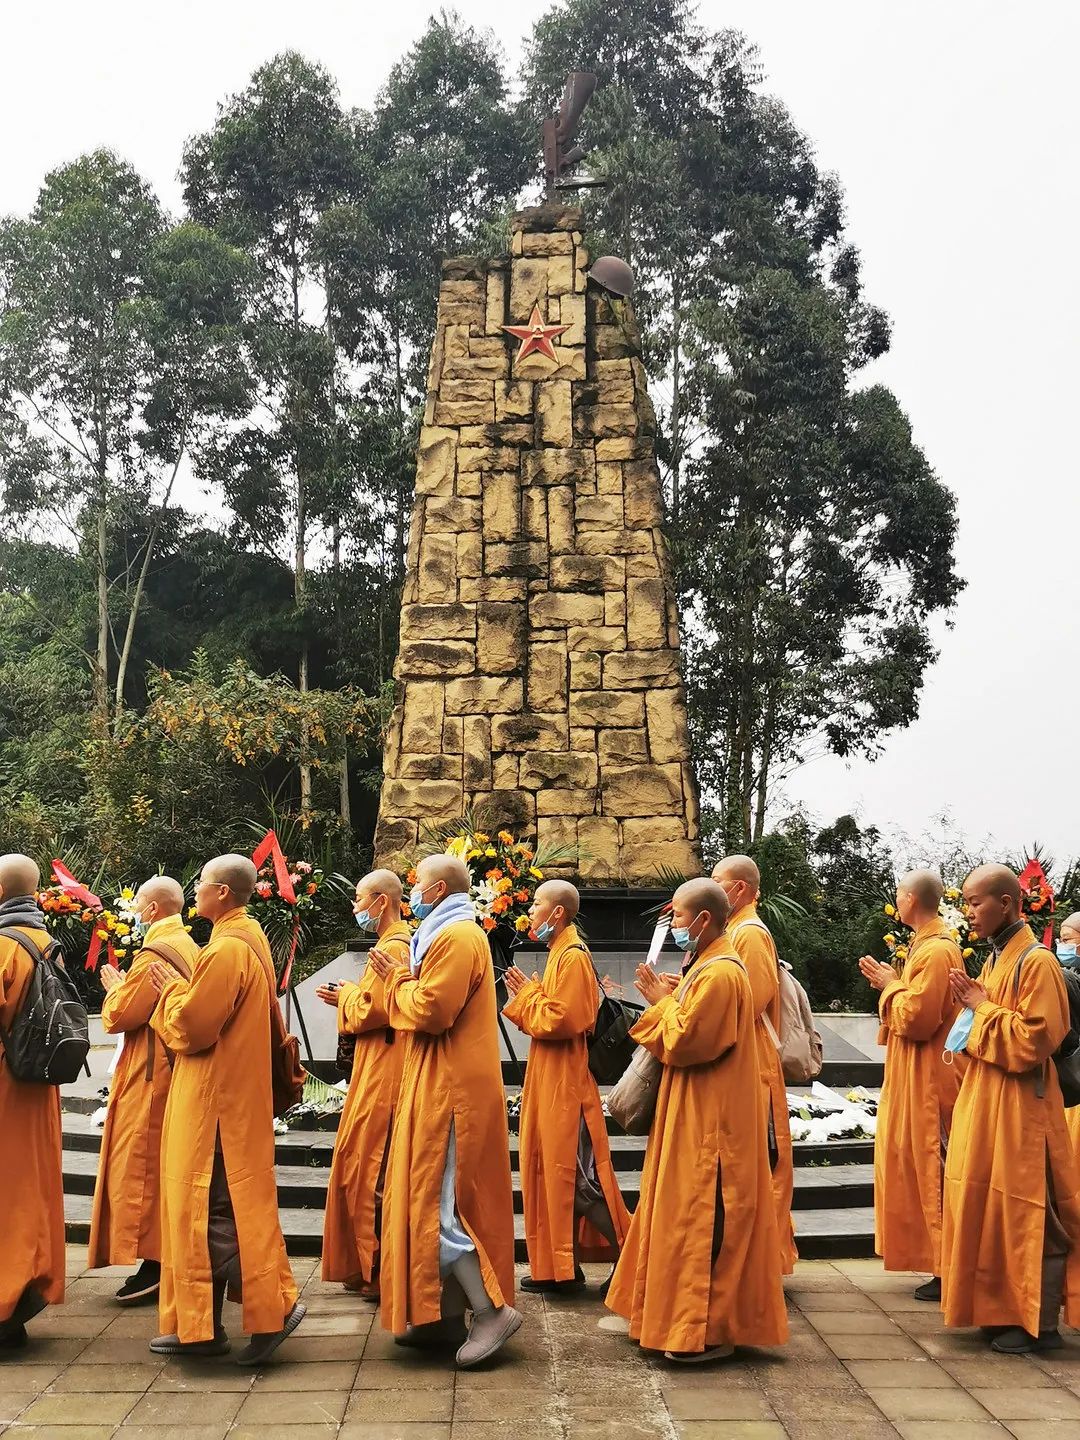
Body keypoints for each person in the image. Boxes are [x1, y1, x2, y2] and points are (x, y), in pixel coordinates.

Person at [605, 878, 788, 1363]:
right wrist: (673, 996)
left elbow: (690, 1042)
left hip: (714, 1122)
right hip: (696, 1110)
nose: (676, 928)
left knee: (704, 1218)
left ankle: (705, 1330)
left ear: (704, 919)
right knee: (681, 1214)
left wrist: (661, 1004)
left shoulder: (723, 971)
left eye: (680, 919)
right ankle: (672, 1317)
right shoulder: (708, 965)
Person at [146, 853, 305, 1365]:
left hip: (215, 1100)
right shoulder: (247, 937)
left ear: (221, 894)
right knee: (214, 1206)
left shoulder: (227, 951)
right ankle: (200, 1324)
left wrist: (167, 996)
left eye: (201, 884)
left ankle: (274, 1307)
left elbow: (193, 1026)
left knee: (212, 1209)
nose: (195, 891)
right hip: (232, 1092)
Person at [368, 854, 519, 1368]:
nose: (411, 894)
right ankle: (443, 1316)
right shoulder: (441, 933)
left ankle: (491, 1310)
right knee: (424, 1199)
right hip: (437, 1080)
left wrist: (395, 983)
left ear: (435, 891)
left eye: (415, 885)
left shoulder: (456, 937)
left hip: (451, 1090)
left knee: (436, 1205)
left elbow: (432, 1012)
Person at [941, 863, 1080, 1353]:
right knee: (990, 1207)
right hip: (988, 1101)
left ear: (1006, 902)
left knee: (1030, 1212)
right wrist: (974, 1011)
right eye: (966, 902)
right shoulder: (997, 958)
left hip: (1024, 1108)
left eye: (975, 902)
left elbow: (1035, 1040)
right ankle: (999, 1308)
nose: (968, 912)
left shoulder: (1036, 962)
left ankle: (1038, 1324)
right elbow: (980, 1025)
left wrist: (981, 1009)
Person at [503, 880, 630, 1294]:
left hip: (566, 1080)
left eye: (537, 903)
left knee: (574, 1178)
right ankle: (561, 1267)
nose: (531, 910)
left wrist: (526, 996)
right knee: (550, 1172)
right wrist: (532, 994)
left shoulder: (572, 956)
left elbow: (565, 1021)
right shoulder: (559, 952)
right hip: (549, 1076)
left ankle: (632, 1254)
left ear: (558, 913)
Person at [88, 876, 199, 1305]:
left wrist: (115, 990)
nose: (134, 915)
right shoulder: (190, 945)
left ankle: (156, 1260)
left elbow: (119, 1016)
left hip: (153, 1075)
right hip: (175, 1067)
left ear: (152, 910)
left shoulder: (155, 952)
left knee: (143, 1167)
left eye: (139, 908)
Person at [858, 869, 963, 1301]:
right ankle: (935, 1260)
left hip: (931, 1077)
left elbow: (918, 1020)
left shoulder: (937, 952)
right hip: (913, 1072)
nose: (896, 901)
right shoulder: (922, 947)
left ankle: (946, 1267)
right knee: (916, 1163)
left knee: (933, 1163)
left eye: (898, 894)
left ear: (911, 899)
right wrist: (894, 987)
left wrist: (890, 986)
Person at [317, 870, 411, 1298]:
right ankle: (364, 1263)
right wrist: (354, 996)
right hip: (375, 1065)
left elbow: (377, 1010)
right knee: (361, 1163)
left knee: (372, 1165)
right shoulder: (390, 943)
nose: (355, 907)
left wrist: (348, 996)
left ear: (381, 901)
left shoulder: (397, 945)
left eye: (359, 898)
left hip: (386, 1068)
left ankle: (378, 1267)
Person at [711, 855, 796, 1273]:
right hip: (741, 1059)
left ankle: (763, 1264)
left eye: (716, 881)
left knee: (760, 1168)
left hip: (753, 1062)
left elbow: (752, 998)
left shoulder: (749, 934)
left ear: (739, 889)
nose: (711, 888)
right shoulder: (734, 932)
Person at [0, 854, 65, 1347]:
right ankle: (26, 1294)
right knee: (32, 1187)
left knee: (7, 1193)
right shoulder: (47, 941)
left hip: (4, 1084)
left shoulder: (3, 945)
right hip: (38, 1086)